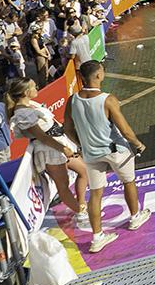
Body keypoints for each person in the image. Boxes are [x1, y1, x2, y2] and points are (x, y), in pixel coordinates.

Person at [64, 60, 149, 253]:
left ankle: (97, 237)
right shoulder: (107, 99)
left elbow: (67, 128)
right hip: (115, 150)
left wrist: (81, 143)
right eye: (102, 71)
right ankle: (135, 217)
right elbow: (125, 130)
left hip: (91, 154)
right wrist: (138, 144)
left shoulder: (72, 100)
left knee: (95, 194)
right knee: (129, 182)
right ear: (98, 75)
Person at [7, 78, 89, 226]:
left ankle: (81, 204)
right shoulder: (22, 114)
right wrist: (63, 148)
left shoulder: (30, 105)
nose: (37, 88)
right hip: (50, 150)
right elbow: (42, 137)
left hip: (59, 142)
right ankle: (80, 212)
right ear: (26, 92)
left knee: (84, 171)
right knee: (63, 185)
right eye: (34, 87)